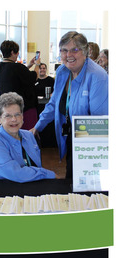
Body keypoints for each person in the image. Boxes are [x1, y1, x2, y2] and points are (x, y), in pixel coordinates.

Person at [30, 31, 108, 179]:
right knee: (71, 176)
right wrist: (38, 126)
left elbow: (100, 122)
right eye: (64, 50)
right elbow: (54, 103)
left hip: (89, 143)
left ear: (85, 52)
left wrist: (88, 159)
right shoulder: (62, 71)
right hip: (70, 134)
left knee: (83, 184)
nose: (68, 55)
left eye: (75, 50)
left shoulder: (98, 77)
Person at [0, 93, 57, 182]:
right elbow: (16, 174)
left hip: (30, 185)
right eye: (8, 116)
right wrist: (49, 174)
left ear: (22, 116)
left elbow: (37, 166)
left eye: (17, 114)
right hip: (0, 190)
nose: (14, 119)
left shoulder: (29, 135)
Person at [0, 40, 40, 130]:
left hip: (7, 108)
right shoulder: (17, 67)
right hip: (23, 109)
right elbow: (34, 77)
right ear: (12, 52)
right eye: (17, 53)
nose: (17, 55)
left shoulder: (1, 67)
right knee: (28, 133)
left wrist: (29, 65)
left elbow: (17, 75)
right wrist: (37, 65)